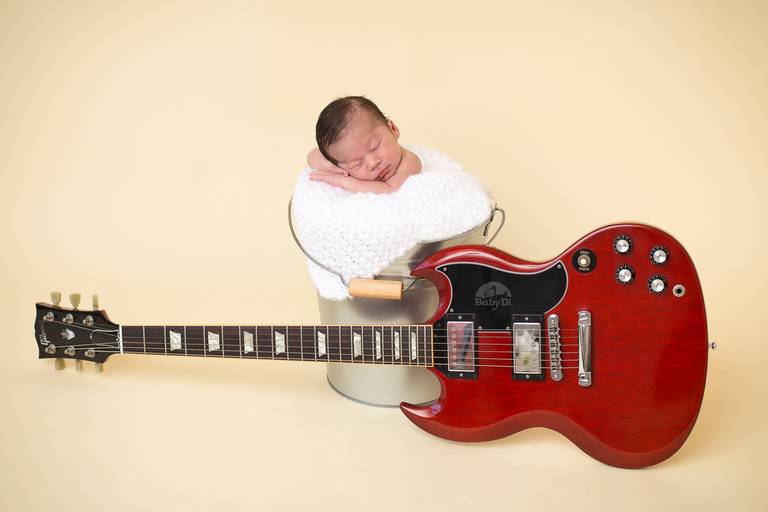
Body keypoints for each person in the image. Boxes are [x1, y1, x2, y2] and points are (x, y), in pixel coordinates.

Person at [306, 96, 422, 193]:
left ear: (393, 129)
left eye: (375, 146)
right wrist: (332, 168)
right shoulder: (343, 162)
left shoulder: (409, 162)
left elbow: (390, 189)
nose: (373, 163)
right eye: (357, 163)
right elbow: (312, 155)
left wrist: (343, 181)